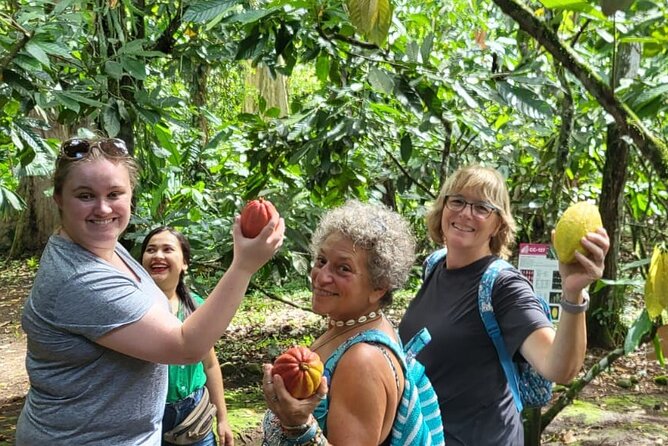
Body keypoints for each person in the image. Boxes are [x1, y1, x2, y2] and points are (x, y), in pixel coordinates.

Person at [17, 137, 284, 445]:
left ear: (131, 195)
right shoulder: (78, 278)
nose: (103, 208)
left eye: (114, 193)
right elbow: (186, 347)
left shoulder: (105, 246)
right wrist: (243, 267)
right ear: (59, 198)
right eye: (85, 195)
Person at [398, 165, 610, 446]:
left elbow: (559, 368)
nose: (465, 213)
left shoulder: (503, 285)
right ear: (443, 207)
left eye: (481, 207)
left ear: (498, 224)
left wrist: (573, 294)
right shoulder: (434, 265)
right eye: (457, 200)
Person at [261, 200, 422, 445]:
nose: (322, 276)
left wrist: (297, 426)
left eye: (343, 269)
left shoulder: (363, 361)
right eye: (321, 261)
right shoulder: (349, 326)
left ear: (379, 287)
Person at [140, 226, 234, 446]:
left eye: (167, 249)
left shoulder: (197, 308)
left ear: (184, 263)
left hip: (194, 416)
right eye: (151, 250)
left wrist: (223, 418)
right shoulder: (132, 309)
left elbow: (210, 364)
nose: (158, 256)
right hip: (149, 416)